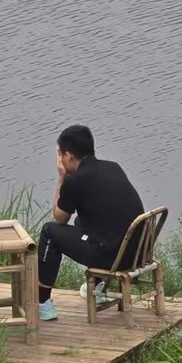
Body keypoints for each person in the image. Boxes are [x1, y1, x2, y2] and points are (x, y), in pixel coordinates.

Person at [35, 124, 144, 320]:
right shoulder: (113, 167)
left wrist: (61, 177)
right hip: (137, 252)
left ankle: (43, 303)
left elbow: (59, 217)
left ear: (68, 156)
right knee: (80, 223)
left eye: (60, 155)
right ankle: (100, 286)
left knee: (49, 232)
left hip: (113, 259)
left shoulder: (75, 180)